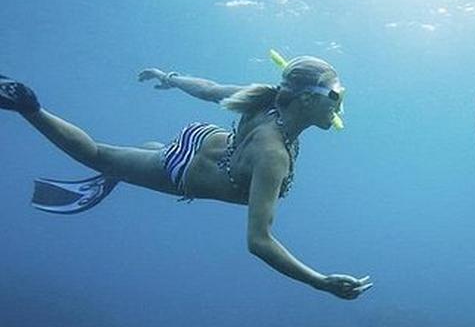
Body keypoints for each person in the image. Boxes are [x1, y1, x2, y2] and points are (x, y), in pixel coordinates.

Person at [0, 56, 372, 300]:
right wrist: (318, 281)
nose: (340, 104)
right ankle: (29, 108)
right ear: (307, 100)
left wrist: (171, 77)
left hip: (204, 140)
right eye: (336, 95)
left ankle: (144, 157)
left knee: (153, 155)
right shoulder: (273, 155)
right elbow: (259, 241)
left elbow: (209, 90)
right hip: (186, 172)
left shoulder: (268, 100)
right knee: (97, 156)